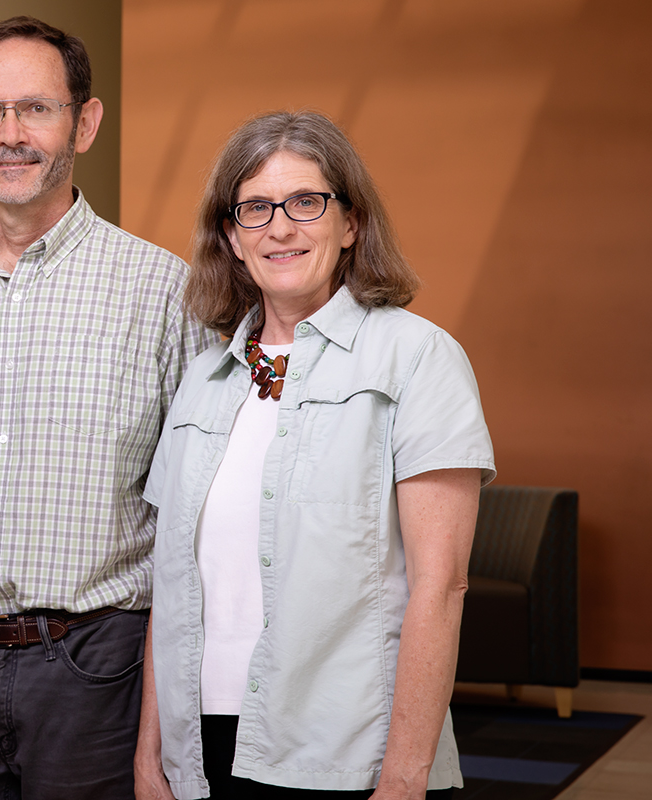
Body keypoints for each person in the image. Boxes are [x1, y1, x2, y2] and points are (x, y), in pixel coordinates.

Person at [0, 16, 218, 800]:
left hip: (98, 667)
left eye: (36, 108)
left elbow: (196, 515)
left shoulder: (167, 294)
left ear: (85, 122)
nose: (10, 134)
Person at [138, 110, 496, 800]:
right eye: (254, 208)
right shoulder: (203, 381)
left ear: (351, 222)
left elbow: (441, 587)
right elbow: (173, 585)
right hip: (203, 751)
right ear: (231, 238)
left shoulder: (418, 359)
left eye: (306, 202)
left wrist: (404, 776)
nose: (280, 227)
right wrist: (151, 754)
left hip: (348, 754)